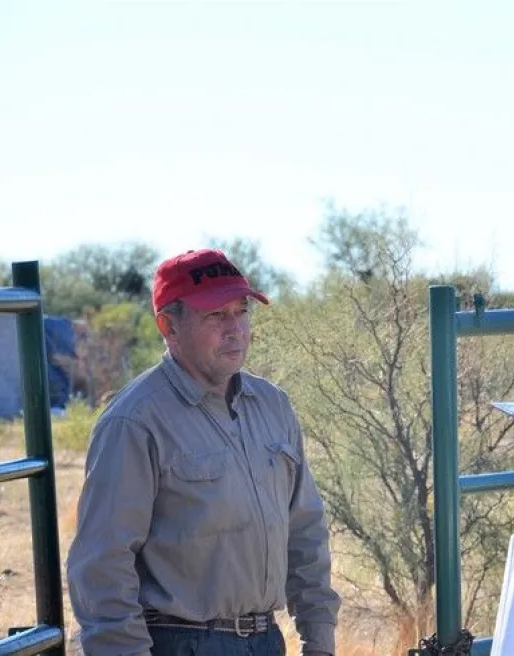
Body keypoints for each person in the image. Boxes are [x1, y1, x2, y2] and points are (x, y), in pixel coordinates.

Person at [67, 249, 340, 656]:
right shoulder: (135, 422)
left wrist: (319, 640)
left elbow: (305, 532)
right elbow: (103, 567)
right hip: (181, 643)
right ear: (168, 327)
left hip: (266, 641)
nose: (236, 329)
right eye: (215, 315)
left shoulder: (272, 406)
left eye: (241, 311)